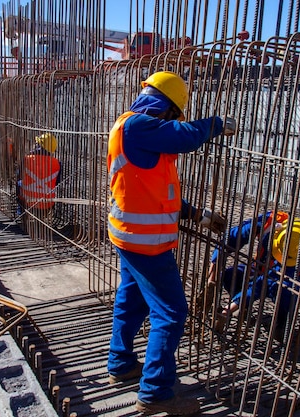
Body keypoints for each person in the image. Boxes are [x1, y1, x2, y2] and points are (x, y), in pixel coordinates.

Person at [106, 70, 235, 416]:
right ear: (166, 108)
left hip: (129, 235)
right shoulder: (136, 127)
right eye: (175, 114)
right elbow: (186, 137)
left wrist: (197, 215)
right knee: (172, 312)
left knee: (132, 299)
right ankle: (156, 392)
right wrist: (217, 124)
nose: (175, 120)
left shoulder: (137, 131)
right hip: (146, 243)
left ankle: (120, 363)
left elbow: (153, 191)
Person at [205, 211, 300, 337]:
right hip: (262, 267)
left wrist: (230, 308)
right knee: (231, 275)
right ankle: (243, 308)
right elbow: (232, 237)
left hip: (290, 280)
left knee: (286, 293)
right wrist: (213, 271)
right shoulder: (269, 221)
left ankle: (282, 324)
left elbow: (262, 284)